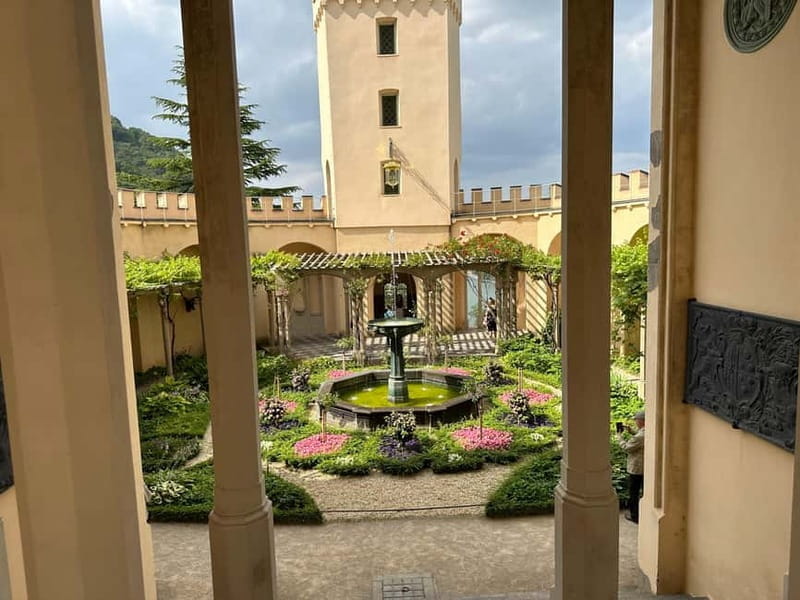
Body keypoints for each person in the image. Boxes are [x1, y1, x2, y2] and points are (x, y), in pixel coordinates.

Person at [617, 409, 645, 523]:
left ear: (642, 421)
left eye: (636, 420)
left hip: (636, 468)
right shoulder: (646, 431)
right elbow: (639, 437)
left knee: (633, 492)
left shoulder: (640, 436)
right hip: (644, 468)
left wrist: (619, 437)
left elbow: (627, 447)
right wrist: (631, 431)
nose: (635, 422)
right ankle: (640, 514)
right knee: (643, 491)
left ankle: (634, 516)